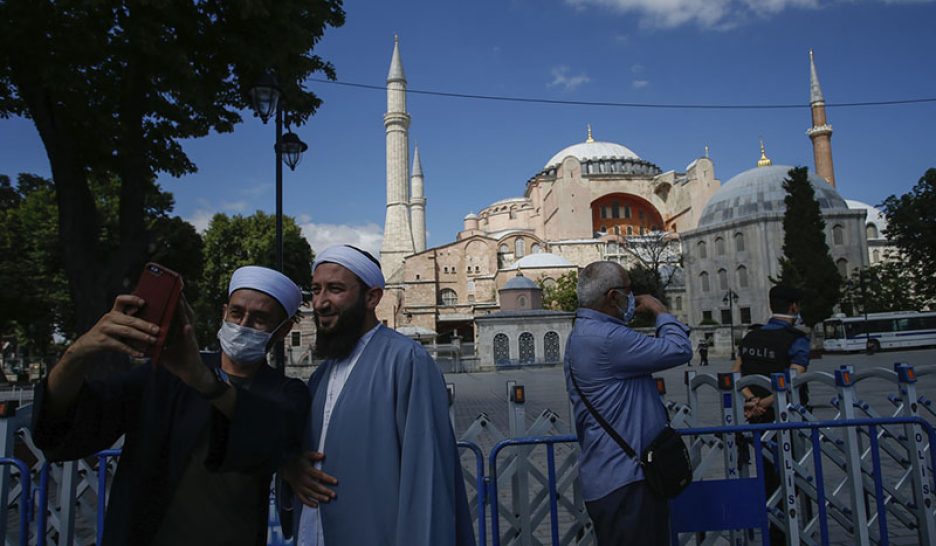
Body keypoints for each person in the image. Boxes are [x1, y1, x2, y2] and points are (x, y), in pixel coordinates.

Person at [31, 266, 310, 546]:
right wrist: (78, 353)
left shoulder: (285, 392)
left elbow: (275, 438)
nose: (244, 324)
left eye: (259, 319)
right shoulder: (163, 377)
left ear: (282, 329)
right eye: (237, 314)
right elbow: (69, 422)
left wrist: (203, 381)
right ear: (224, 313)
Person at [282, 245, 475, 546]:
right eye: (316, 290)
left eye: (335, 289)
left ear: (372, 298)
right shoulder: (321, 375)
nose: (320, 303)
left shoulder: (406, 361)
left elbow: (427, 481)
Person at [563, 261, 692, 545]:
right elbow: (679, 349)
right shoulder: (607, 338)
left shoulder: (584, 334)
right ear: (613, 297)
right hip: (628, 480)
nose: (634, 299)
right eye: (629, 292)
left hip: (609, 475)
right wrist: (660, 311)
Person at [732, 284, 810, 546]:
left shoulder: (751, 338)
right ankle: (788, 527)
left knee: (766, 470)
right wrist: (766, 401)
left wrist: (751, 400)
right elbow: (792, 378)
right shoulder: (796, 338)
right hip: (786, 415)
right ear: (793, 307)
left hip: (757, 416)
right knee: (793, 470)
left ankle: (773, 524)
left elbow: (736, 375)